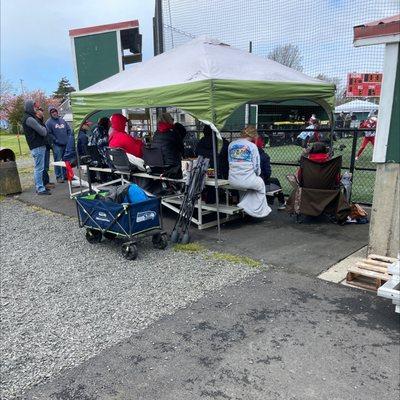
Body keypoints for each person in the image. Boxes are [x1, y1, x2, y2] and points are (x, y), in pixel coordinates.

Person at [228, 125, 271, 218]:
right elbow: (256, 166)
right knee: (260, 185)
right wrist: (257, 175)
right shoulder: (252, 146)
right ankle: (257, 210)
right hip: (247, 180)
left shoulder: (231, 144)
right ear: (253, 135)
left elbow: (230, 161)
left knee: (245, 189)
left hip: (232, 180)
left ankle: (244, 205)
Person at [22, 100, 51, 195]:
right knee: (39, 168)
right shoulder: (29, 119)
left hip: (36, 146)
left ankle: (40, 187)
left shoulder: (29, 118)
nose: (36, 109)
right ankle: (40, 188)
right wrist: (44, 128)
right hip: (37, 146)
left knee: (39, 168)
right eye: (34, 107)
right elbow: (43, 131)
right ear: (30, 107)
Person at [255, 136, 286, 210]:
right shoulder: (264, 156)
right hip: (258, 181)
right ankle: (281, 202)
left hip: (244, 179)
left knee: (273, 180)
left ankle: (278, 201)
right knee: (275, 181)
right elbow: (267, 173)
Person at [45, 106, 72, 183]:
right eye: (52, 112)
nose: (54, 113)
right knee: (57, 161)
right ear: (50, 113)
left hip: (66, 144)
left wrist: (68, 139)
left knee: (66, 160)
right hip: (57, 145)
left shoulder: (62, 120)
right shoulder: (48, 122)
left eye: (55, 111)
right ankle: (58, 177)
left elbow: (68, 130)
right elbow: (49, 134)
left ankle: (66, 175)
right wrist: (56, 140)